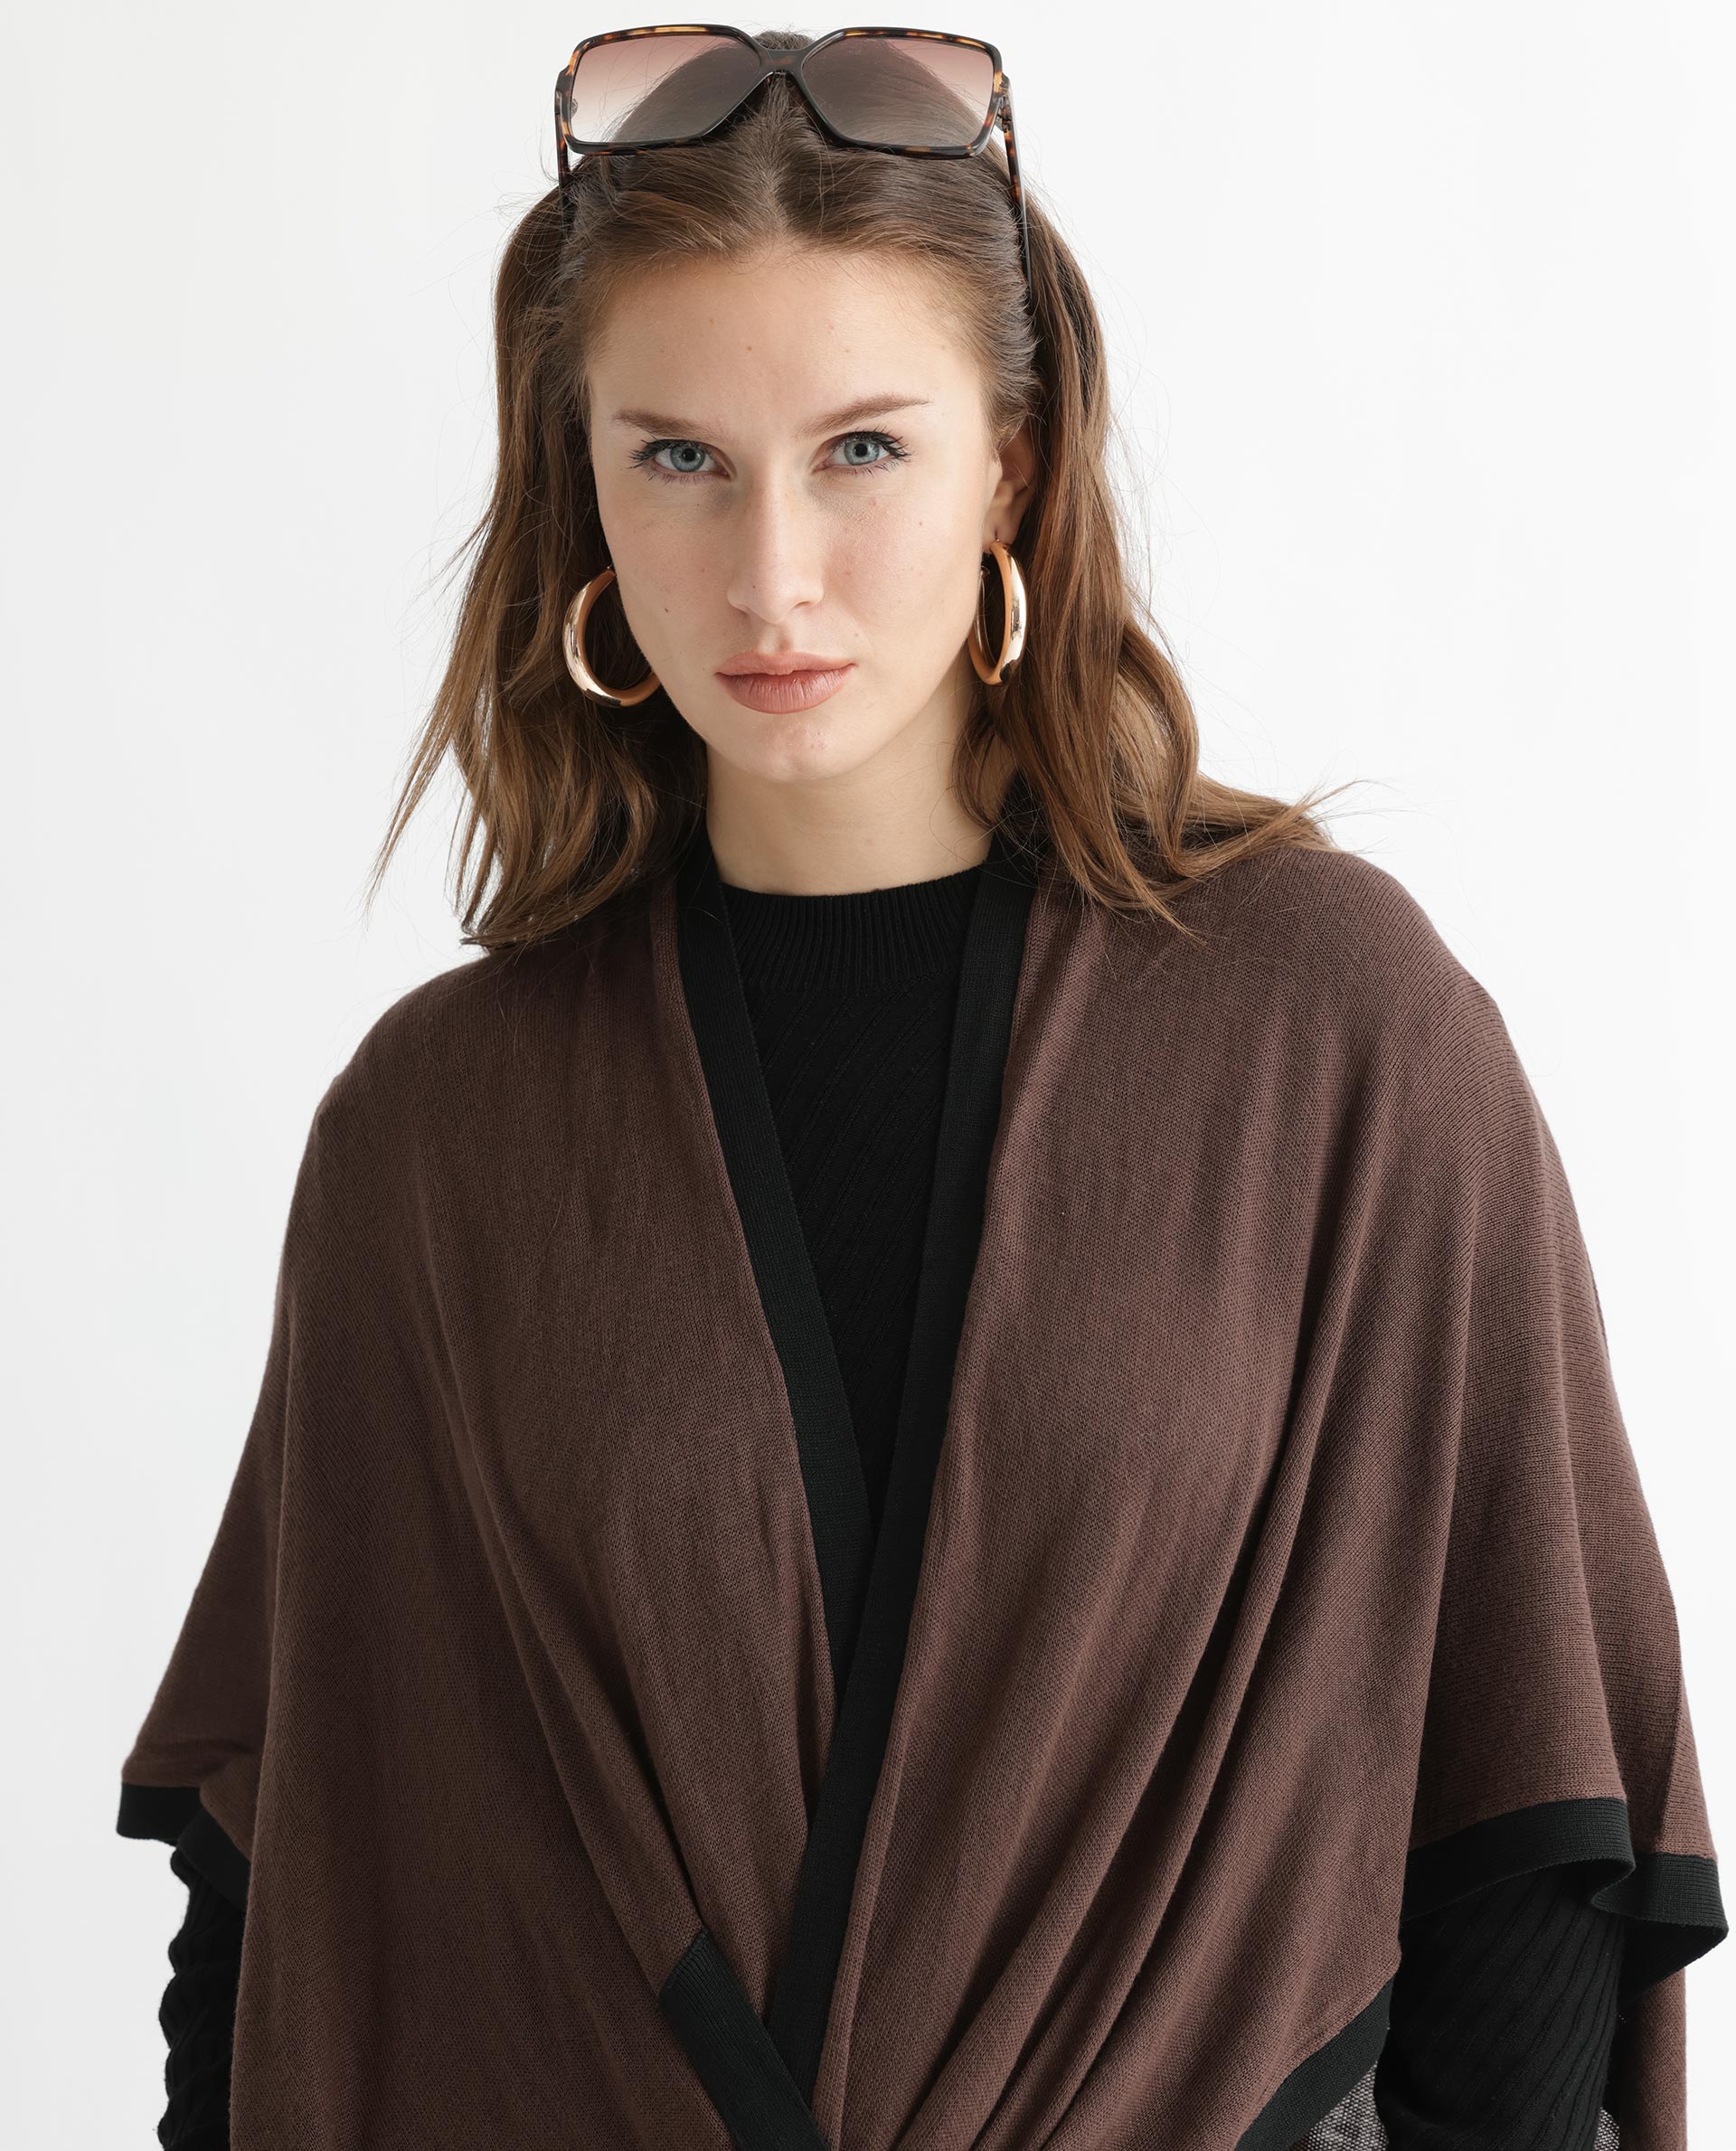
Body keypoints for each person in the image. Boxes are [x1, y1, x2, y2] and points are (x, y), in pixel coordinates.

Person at [118, 25, 1725, 2151]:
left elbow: (1521, 1823)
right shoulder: (439, 1137)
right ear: (582, 486)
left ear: (1014, 472)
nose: (769, 572)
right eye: (678, 457)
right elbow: (289, 1897)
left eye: (862, 449)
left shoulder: (1334, 1035)